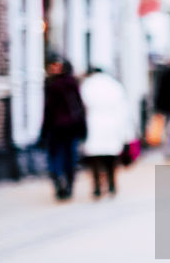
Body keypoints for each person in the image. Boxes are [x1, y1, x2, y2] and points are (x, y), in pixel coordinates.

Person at [80, 67, 132, 197]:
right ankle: (112, 184)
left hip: (93, 123)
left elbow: (81, 106)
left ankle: (97, 185)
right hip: (112, 124)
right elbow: (123, 109)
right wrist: (126, 133)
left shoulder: (87, 86)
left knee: (95, 157)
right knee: (111, 157)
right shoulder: (115, 86)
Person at [40, 56, 87, 199]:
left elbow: (49, 110)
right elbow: (79, 107)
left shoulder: (53, 85)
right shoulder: (73, 83)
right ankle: (67, 183)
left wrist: (44, 130)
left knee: (57, 157)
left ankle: (60, 181)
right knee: (69, 157)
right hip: (70, 127)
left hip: (57, 128)